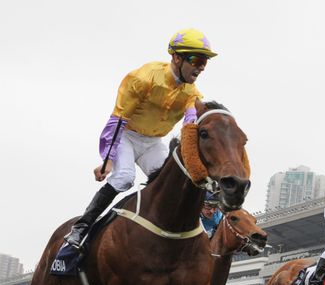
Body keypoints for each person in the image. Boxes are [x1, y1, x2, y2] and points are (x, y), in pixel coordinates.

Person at [64, 28, 217, 249]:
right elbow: (118, 120)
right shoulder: (143, 77)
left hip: (153, 143)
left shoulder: (192, 94)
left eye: (205, 62)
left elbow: (189, 128)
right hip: (127, 136)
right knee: (124, 177)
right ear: (176, 57)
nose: (200, 67)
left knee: (172, 180)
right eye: (196, 59)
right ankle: (82, 227)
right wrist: (108, 159)